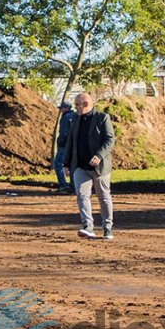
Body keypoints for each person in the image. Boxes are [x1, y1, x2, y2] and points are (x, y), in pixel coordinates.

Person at [62, 93, 115, 240]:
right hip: (80, 165)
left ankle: (107, 227)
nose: (76, 108)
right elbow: (70, 142)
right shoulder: (75, 119)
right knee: (81, 194)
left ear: (86, 104)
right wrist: (66, 163)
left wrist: (99, 155)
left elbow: (110, 140)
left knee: (103, 197)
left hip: (99, 167)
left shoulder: (102, 118)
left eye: (77, 105)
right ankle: (88, 226)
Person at [53, 101, 74, 192]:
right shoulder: (76, 116)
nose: (60, 110)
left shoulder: (65, 118)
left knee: (57, 163)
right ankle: (73, 186)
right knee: (73, 165)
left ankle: (63, 185)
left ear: (66, 108)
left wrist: (60, 142)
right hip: (74, 145)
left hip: (65, 145)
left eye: (61, 108)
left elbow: (64, 133)